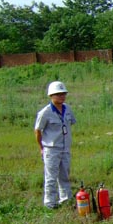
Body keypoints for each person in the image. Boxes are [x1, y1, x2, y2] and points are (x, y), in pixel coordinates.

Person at [34, 81, 77, 209]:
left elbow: (71, 123)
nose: (61, 97)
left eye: (63, 94)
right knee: (51, 177)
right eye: (58, 94)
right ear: (51, 96)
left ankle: (65, 200)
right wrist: (41, 148)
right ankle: (50, 204)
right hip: (51, 149)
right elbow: (38, 130)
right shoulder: (45, 112)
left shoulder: (67, 109)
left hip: (65, 148)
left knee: (64, 175)